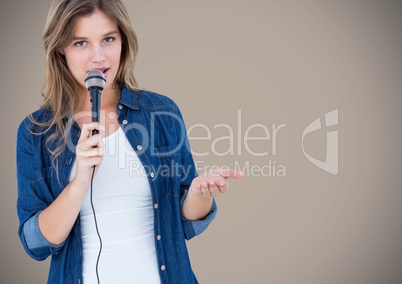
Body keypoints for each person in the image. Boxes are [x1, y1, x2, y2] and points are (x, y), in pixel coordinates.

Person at [16, 0, 243, 283]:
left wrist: (200, 193)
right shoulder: (35, 132)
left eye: (108, 39)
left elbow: (186, 223)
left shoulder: (162, 113)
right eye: (80, 43)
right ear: (60, 47)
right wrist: (79, 183)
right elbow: (35, 244)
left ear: (124, 40)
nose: (98, 57)